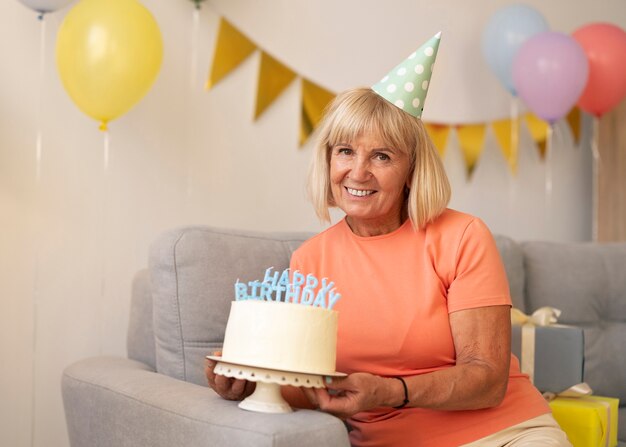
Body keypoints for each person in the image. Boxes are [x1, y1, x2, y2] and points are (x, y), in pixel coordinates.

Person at [206, 33, 572, 447]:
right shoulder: (309, 260)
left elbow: (486, 378)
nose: (358, 173)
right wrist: (248, 382)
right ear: (328, 160)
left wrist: (393, 391)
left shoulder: (462, 236)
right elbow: (309, 386)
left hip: (505, 433)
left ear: (412, 170)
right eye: (345, 151)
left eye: (382, 156)